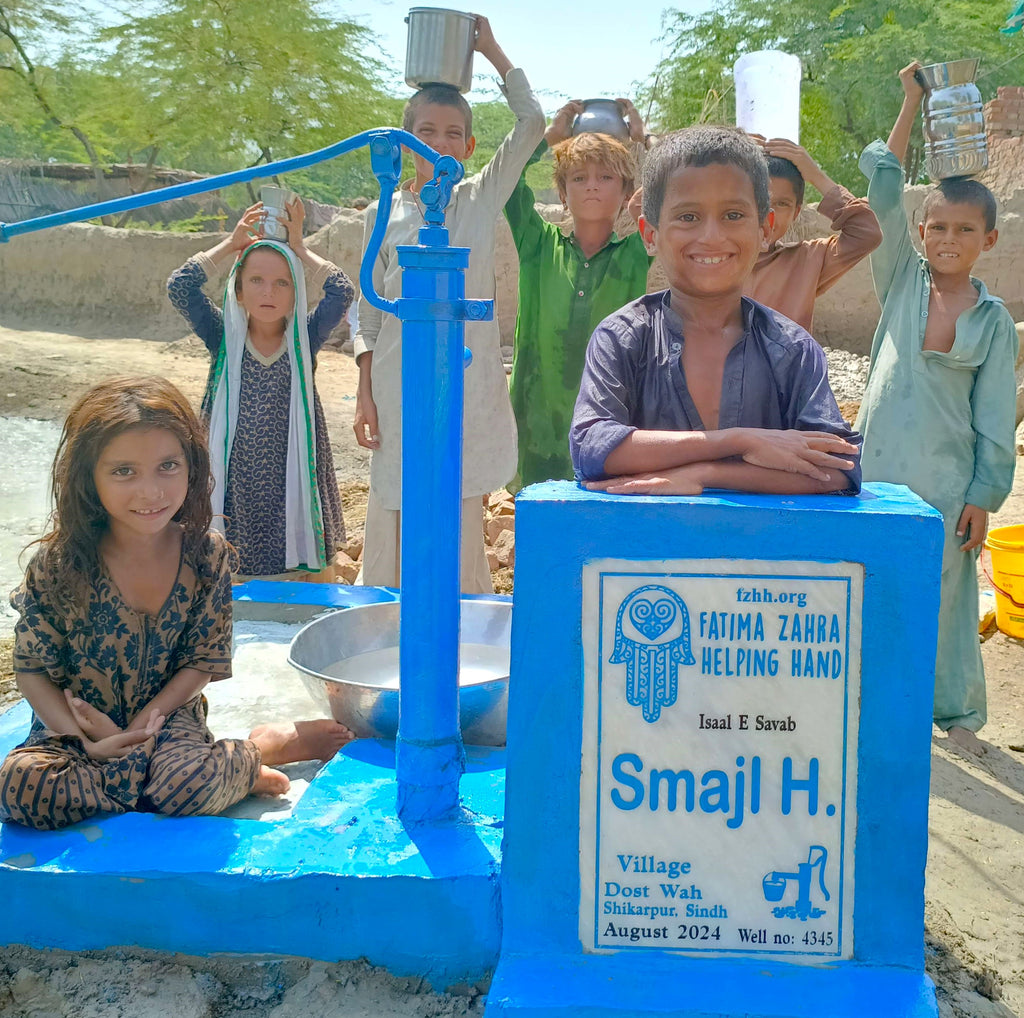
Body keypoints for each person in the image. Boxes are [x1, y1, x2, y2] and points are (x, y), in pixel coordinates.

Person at [0, 377, 353, 831]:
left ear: (192, 467)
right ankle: (236, 768)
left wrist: (143, 729)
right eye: (123, 471)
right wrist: (85, 739)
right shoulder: (57, 564)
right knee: (22, 788)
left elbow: (200, 664)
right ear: (88, 477)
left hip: (167, 721)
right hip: (75, 731)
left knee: (184, 784)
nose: (150, 492)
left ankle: (258, 748)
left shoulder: (207, 557)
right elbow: (31, 670)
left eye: (167, 466)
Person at [856, 62, 1018, 755]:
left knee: (949, 600)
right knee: (871, 588)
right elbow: (885, 188)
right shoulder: (900, 280)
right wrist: (910, 101)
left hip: (949, 487)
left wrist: (985, 495)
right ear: (920, 234)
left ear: (990, 240)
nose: (947, 239)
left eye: (963, 229)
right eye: (937, 227)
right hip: (876, 471)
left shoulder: (993, 322)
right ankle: (868, 699)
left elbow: (994, 419)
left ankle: (952, 712)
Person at [353, 15, 545, 591]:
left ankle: (459, 637)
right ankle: (382, 627)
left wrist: (489, 50)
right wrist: (364, 392)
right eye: (426, 133)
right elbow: (367, 314)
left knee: (458, 499)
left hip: (462, 379)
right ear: (406, 141)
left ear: (470, 145)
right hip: (395, 381)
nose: (439, 145)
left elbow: (532, 122)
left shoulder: (477, 201)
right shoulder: (382, 213)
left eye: (452, 134)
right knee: (395, 497)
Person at [570, 125, 861, 496]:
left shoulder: (792, 350)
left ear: (765, 229)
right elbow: (591, 448)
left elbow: (840, 467)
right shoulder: (624, 338)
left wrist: (706, 475)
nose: (711, 236)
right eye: (688, 217)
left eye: (733, 216)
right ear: (649, 234)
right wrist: (738, 442)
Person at [168, 197, 353, 577]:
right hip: (235, 470)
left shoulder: (306, 337)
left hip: (293, 468)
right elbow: (180, 287)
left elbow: (341, 291)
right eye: (256, 280)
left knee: (297, 564)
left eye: (282, 283)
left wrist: (299, 247)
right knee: (233, 559)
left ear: (296, 293)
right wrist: (232, 245)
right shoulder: (222, 335)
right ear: (238, 291)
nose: (269, 292)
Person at [503, 99, 653, 489]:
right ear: (562, 193)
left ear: (626, 194)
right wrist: (550, 137)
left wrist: (644, 139)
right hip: (534, 419)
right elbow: (506, 180)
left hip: (608, 416)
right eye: (578, 178)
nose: (591, 186)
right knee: (533, 522)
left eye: (606, 178)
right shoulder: (537, 242)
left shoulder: (636, 252)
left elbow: (677, 191)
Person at [746, 137, 882, 334]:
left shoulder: (807, 261)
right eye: (757, 200)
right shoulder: (708, 255)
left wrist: (815, 175)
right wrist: (723, 154)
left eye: (782, 203)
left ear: (796, 212)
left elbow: (866, 232)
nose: (769, 213)